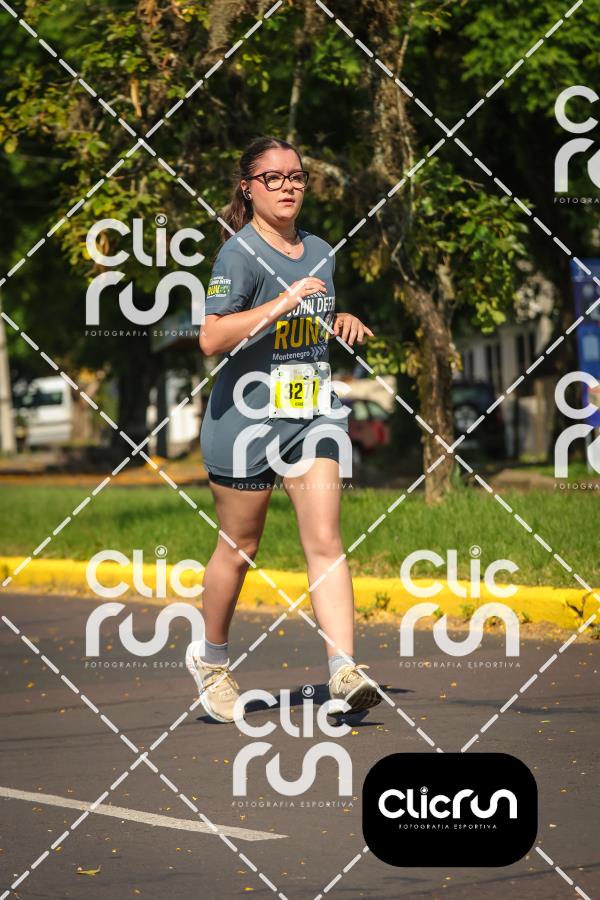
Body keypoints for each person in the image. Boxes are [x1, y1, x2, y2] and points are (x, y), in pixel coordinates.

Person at [185, 135, 382, 723]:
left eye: (296, 176)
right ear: (249, 188)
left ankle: (344, 669)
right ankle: (212, 661)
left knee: (324, 539)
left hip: (310, 412)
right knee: (240, 548)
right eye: (273, 178)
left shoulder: (320, 249)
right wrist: (283, 301)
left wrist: (337, 317)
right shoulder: (239, 255)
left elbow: (308, 319)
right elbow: (211, 338)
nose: (288, 186)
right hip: (244, 422)